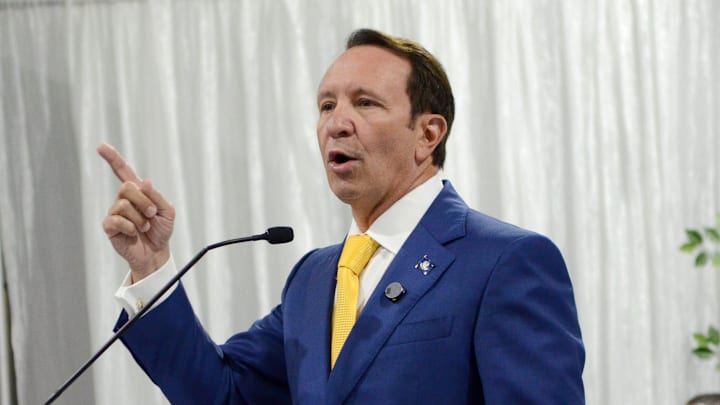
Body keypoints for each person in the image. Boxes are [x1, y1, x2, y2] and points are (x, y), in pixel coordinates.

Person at [100, 28, 585, 404]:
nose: (336, 122)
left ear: (428, 134)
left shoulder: (506, 261)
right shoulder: (313, 278)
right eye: (326, 105)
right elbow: (224, 394)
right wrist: (152, 268)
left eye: (365, 103)